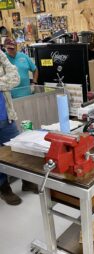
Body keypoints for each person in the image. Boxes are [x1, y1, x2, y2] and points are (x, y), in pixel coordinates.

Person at [0, 50, 38, 206]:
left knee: (18, 149)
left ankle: (27, 181)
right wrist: (3, 81)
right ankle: (4, 188)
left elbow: (15, 78)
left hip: (5, 116)